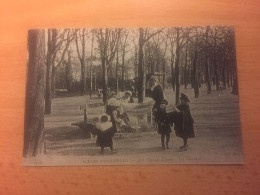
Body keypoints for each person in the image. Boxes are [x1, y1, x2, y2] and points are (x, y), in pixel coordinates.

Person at [148, 75, 171, 150]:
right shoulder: (154, 88)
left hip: (161, 105)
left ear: (156, 81)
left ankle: (166, 144)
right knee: (162, 133)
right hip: (158, 106)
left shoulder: (158, 88)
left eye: (153, 81)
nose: (152, 83)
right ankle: (163, 145)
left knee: (167, 133)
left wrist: (158, 107)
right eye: (151, 82)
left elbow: (161, 98)